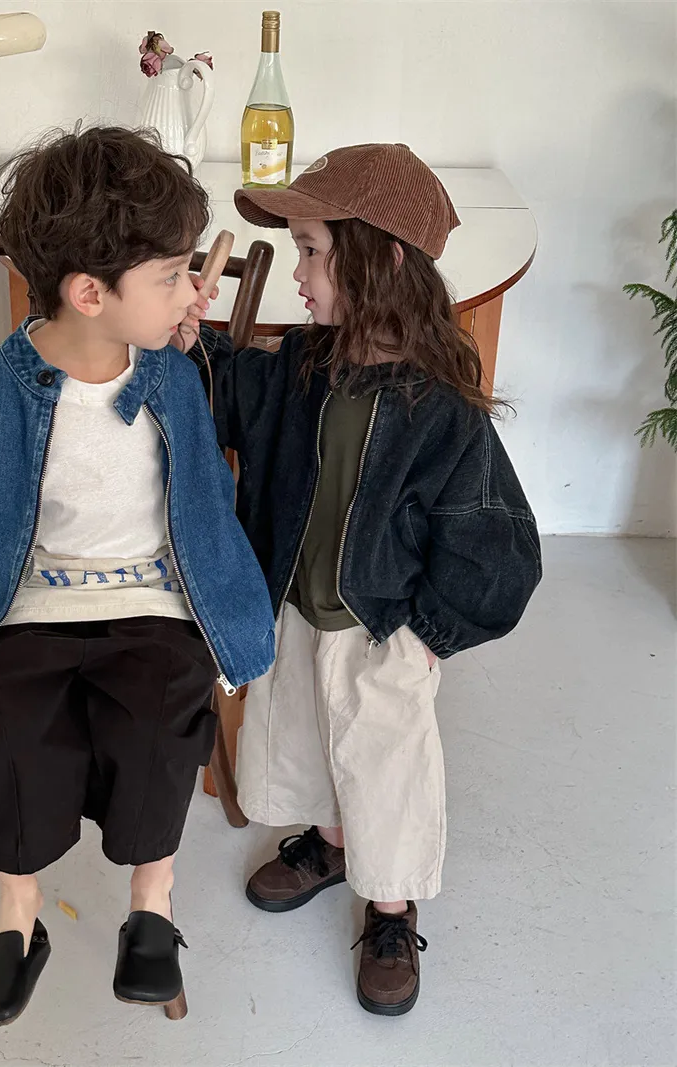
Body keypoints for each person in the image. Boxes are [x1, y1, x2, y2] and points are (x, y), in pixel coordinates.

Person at [0, 125, 274, 1029]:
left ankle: (152, 900)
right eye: (172, 276)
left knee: (160, 717)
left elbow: (206, 501)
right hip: (26, 606)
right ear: (91, 293)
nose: (193, 292)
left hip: (152, 603)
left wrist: (174, 335)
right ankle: (18, 912)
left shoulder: (173, 378)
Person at [175, 143, 542, 1017]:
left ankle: (390, 910)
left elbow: (500, 550)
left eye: (310, 250)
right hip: (300, 608)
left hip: (381, 628)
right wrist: (192, 346)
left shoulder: (441, 410)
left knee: (385, 767)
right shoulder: (306, 364)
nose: (297, 273)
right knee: (307, 739)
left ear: (381, 261)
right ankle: (333, 844)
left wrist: (427, 633)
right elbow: (233, 393)